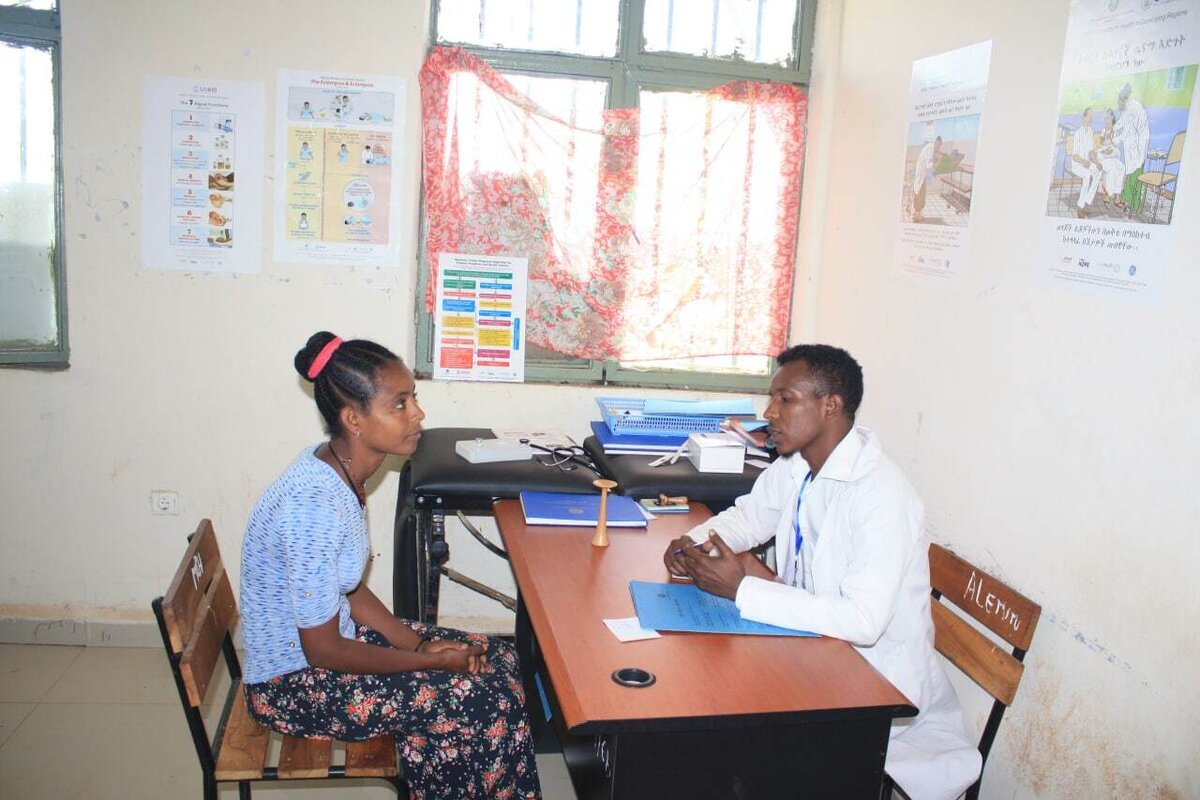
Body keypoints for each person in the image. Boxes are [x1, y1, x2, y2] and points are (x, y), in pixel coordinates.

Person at [663, 344, 981, 800]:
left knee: (721, 734)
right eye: (771, 399)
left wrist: (742, 588)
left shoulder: (881, 496)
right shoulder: (797, 466)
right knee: (702, 695)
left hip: (871, 685)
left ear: (831, 405)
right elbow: (749, 518)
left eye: (785, 399)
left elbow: (863, 622)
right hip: (810, 654)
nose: (768, 413)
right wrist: (694, 543)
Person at [240, 332, 541, 800]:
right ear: (353, 419)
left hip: (329, 650)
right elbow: (323, 650)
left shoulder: (338, 470)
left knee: (499, 658)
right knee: (484, 701)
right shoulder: (314, 503)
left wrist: (420, 643)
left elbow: (349, 589)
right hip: (292, 686)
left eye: (413, 398)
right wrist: (424, 661)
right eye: (399, 404)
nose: (417, 414)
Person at [1113, 82, 1150, 215]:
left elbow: (1126, 132)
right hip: (1137, 148)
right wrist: (1112, 130)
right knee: (1133, 174)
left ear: (1122, 100)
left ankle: (1132, 205)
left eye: (1118, 102)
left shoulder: (1132, 109)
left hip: (1137, 148)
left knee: (1134, 175)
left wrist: (1113, 140)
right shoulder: (1132, 106)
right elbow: (1120, 124)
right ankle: (1131, 203)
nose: (1119, 106)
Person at [1069, 107, 1101, 217]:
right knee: (1087, 175)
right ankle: (1080, 207)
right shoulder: (1078, 133)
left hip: (1086, 164)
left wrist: (1096, 162)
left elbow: (1091, 151)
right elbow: (1074, 156)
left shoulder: (1090, 132)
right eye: (1089, 117)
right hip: (1077, 165)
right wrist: (1084, 162)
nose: (1091, 119)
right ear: (1084, 117)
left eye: (1092, 117)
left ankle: (1087, 201)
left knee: (1098, 171)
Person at [1095, 109, 1126, 207]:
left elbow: (1116, 146)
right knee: (1112, 168)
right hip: (1103, 157)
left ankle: (1117, 194)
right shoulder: (1104, 131)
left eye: (1108, 117)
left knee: (1121, 167)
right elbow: (1099, 146)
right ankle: (1108, 196)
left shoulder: (1116, 130)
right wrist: (1104, 150)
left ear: (1112, 118)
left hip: (1112, 156)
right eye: (1106, 117)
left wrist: (1111, 149)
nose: (1106, 119)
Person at [910, 136, 942, 222]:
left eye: (940, 146)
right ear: (935, 142)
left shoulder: (931, 148)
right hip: (921, 173)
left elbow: (929, 165)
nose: (938, 147)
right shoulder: (929, 148)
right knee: (919, 192)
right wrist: (937, 162)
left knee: (922, 193)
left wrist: (936, 161)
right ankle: (915, 214)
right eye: (938, 145)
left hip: (922, 173)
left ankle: (918, 213)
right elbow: (928, 165)